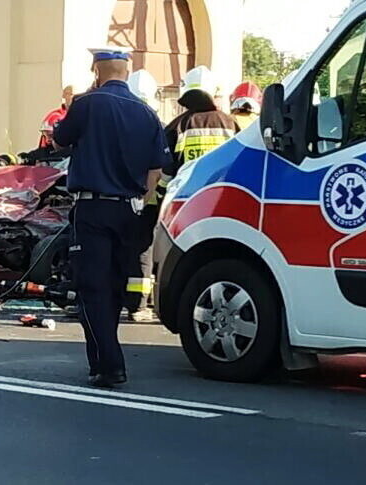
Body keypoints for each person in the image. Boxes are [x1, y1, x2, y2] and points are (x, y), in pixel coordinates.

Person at [53, 47, 172, 388]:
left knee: (93, 288)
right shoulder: (147, 113)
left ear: (97, 70)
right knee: (116, 287)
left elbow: (61, 140)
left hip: (92, 208)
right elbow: (156, 169)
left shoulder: (88, 105)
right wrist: (140, 199)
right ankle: (106, 361)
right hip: (129, 210)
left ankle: (109, 364)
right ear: (125, 71)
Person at [156, 66, 238, 203]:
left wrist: (161, 193)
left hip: (185, 199)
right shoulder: (230, 124)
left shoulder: (176, 126)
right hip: (221, 197)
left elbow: (167, 170)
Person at [124, 69, 162, 322]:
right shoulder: (154, 125)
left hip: (115, 198)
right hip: (145, 202)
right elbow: (158, 171)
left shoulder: (114, 122)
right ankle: (138, 306)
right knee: (141, 253)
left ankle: (113, 300)